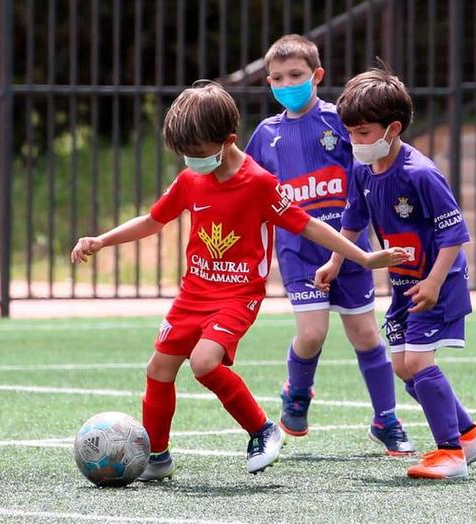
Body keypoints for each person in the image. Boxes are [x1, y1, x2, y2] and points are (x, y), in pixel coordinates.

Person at [71, 80, 410, 481]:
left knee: (203, 362)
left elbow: (310, 226)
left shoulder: (259, 183)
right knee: (159, 368)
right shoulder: (189, 180)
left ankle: (262, 430)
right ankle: (157, 457)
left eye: (197, 153)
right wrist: (102, 240)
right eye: (184, 154)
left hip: (237, 295)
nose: (191, 161)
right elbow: (153, 221)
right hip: (193, 293)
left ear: (229, 140)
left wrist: (366, 257)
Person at [317, 63, 476, 479]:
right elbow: (353, 220)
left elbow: (455, 236)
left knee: (416, 362)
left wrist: (434, 282)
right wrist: (336, 260)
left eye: (362, 133)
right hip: (405, 285)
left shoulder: (422, 174)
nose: (354, 141)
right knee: (401, 366)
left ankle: (450, 452)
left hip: (438, 283)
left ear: (392, 128)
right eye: (350, 132)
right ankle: (468, 434)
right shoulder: (363, 169)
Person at [245, 35, 415, 455]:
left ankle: (386, 419)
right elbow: (251, 190)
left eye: (297, 75)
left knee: (365, 335)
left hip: (351, 247)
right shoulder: (266, 135)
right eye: (279, 78)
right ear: (269, 82)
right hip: (299, 251)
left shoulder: (338, 122)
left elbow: (362, 178)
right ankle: (297, 394)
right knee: (313, 333)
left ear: (317, 76)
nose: (288, 84)